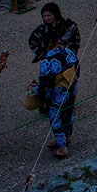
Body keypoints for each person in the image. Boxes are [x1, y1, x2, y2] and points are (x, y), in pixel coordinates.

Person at [31, 26, 78, 159]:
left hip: (57, 93)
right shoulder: (68, 52)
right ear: (58, 41)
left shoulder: (47, 62)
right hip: (71, 88)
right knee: (68, 113)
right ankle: (66, 137)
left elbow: (45, 85)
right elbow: (77, 68)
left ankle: (62, 147)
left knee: (56, 118)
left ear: (43, 44)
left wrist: (38, 91)